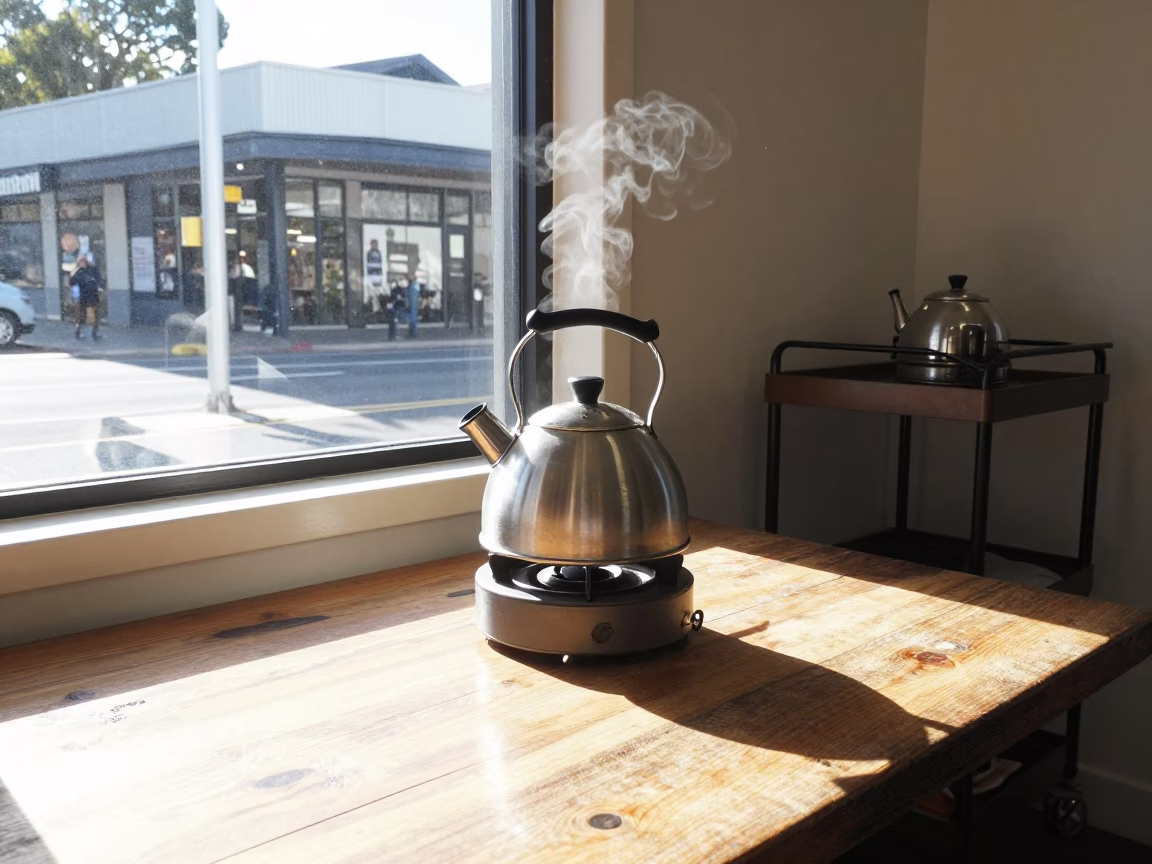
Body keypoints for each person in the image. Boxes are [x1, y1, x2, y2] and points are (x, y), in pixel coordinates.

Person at [70, 255, 103, 340]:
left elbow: (99, 280)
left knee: (95, 316)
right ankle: (78, 332)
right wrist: (74, 273)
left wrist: (99, 288)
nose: (82, 264)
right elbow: (72, 282)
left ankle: (95, 333)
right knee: (82, 316)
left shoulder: (92, 270)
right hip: (84, 297)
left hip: (93, 295)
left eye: (83, 262)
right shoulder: (79, 272)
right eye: (81, 262)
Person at [405, 273, 420, 338]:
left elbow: (411, 296)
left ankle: (412, 334)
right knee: (411, 320)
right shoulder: (414, 286)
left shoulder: (412, 286)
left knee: (412, 320)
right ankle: (411, 333)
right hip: (412, 305)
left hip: (412, 305)